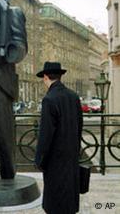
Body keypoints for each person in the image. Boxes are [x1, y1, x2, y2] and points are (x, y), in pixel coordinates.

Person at [35, 61, 83, 214]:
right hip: (72, 155)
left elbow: (45, 134)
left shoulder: (49, 99)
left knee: (55, 200)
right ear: (60, 77)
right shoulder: (74, 97)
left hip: (55, 159)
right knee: (69, 195)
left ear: (45, 77)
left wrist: (40, 159)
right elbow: (79, 126)